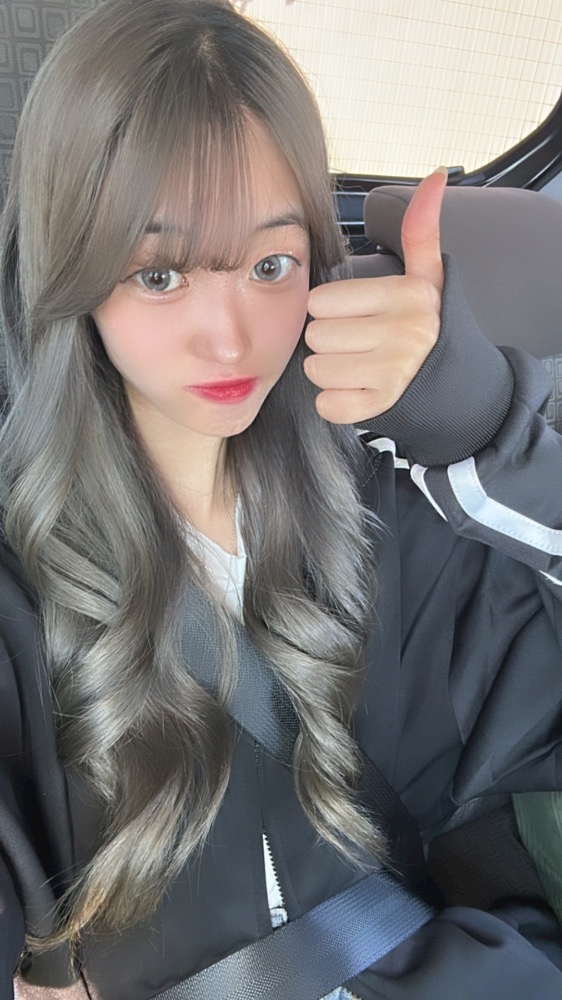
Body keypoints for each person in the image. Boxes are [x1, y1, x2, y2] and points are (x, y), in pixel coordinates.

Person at [1, 1, 562, 997]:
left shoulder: (398, 508)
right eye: (159, 273)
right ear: (72, 269)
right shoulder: (20, 590)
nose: (231, 337)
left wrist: (492, 433)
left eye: (271, 264)